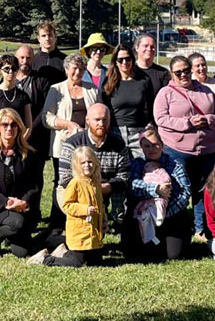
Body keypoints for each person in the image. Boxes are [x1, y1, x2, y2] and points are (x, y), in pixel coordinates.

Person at [155, 54, 215, 238]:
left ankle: (201, 229)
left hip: (206, 150)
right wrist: (188, 123)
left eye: (186, 70)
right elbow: (160, 119)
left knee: (204, 190)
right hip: (177, 150)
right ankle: (179, 230)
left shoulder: (206, 91)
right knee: (179, 190)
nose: (183, 75)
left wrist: (208, 119)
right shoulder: (165, 93)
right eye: (178, 72)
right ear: (172, 74)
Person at [39, 53, 100, 225]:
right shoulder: (56, 89)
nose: (78, 73)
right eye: (74, 69)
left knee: (86, 179)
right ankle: (58, 218)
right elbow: (46, 117)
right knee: (63, 181)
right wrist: (68, 124)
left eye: (81, 69)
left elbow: (98, 112)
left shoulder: (92, 90)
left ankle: (86, 215)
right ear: (67, 70)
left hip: (87, 145)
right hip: (63, 144)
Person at [0, 109, 41, 258]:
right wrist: (7, 202)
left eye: (13, 125)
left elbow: (35, 185)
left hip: (21, 207)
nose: (9, 129)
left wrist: (23, 203)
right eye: (4, 125)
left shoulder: (29, 154)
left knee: (22, 252)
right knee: (16, 223)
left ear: (19, 128)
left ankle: (6, 234)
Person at [27, 146, 106, 268]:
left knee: (96, 262)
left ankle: (63, 252)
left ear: (95, 163)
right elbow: (67, 205)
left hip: (93, 233)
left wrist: (103, 220)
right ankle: (45, 259)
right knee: (77, 263)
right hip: (80, 232)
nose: (87, 165)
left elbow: (101, 205)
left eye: (90, 162)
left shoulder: (95, 183)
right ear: (77, 165)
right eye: (83, 163)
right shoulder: (75, 183)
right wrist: (84, 209)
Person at [57, 103, 131, 232]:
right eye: (97, 120)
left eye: (105, 120)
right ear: (87, 120)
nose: (101, 124)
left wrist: (107, 187)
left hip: (105, 189)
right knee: (84, 229)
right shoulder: (73, 143)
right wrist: (90, 189)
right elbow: (65, 178)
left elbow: (124, 177)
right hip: (75, 192)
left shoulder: (118, 144)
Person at [128, 128, 192, 261]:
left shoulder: (175, 165)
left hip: (171, 214)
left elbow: (185, 193)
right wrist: (155, 189)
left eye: (155, 145)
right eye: (147, 146)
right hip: (144, 214)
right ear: (141, 147)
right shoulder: (137, 164)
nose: (152, 149)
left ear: (162, 145)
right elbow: (132, 186)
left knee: (173, 255)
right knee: (137, 253)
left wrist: (163, 213)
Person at [103, 43, 155, 152]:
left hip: (138, 132)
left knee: (140, 167)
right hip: (115, 131)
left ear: (132, 59)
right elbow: (104, 107)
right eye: (120, 60)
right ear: (115, 62)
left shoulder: (143, 80)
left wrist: (150, 124)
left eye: (127, 59)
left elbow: (151, 105)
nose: (124, 63)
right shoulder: (108, 82)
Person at [14, 43, 50, 195]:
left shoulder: (41, 81)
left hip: (36, 136)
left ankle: (34, 210)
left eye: (28, 58)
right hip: (13, 135)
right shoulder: (9, 80)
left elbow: (46, 107)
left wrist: (30, 129)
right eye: (21, 57)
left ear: (33, 60)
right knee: (15, 173)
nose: (25, 61)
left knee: (35, 175)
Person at [0, 54, 34, 139]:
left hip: (20, 141)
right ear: (0, 71)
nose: (11, 72)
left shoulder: (23, 96)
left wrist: (21, 141)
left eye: (14, 69)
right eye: (7, 69)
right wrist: (3, 142)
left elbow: (29, 125)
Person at [134, 33, 170, 98]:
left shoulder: (163, 73)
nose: (149, 49)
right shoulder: (129, 70)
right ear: (137, 48)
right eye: (145, 46)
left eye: (152, 47)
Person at [31, 21, 67, 85]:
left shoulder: (65, 60)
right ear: (39, 38)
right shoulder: (33, 60)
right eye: (43, 36)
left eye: (50, 35)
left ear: (55, 37)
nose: (47, 38)